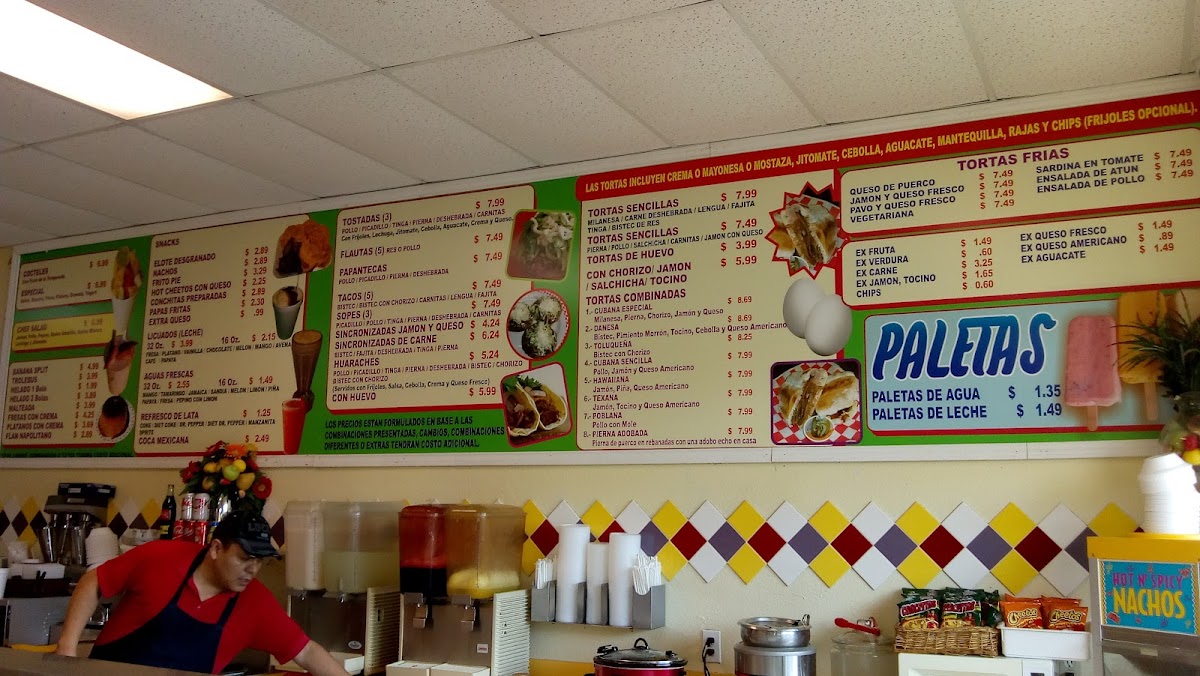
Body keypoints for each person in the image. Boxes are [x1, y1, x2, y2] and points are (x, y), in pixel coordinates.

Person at [56, 510, 350, 675]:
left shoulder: (256, 603)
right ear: (216, 548)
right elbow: (93, 581)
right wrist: (66, 652)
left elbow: (307, 651)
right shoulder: (160, 558)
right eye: (245, 558)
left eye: (259, 561)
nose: (252, 570)